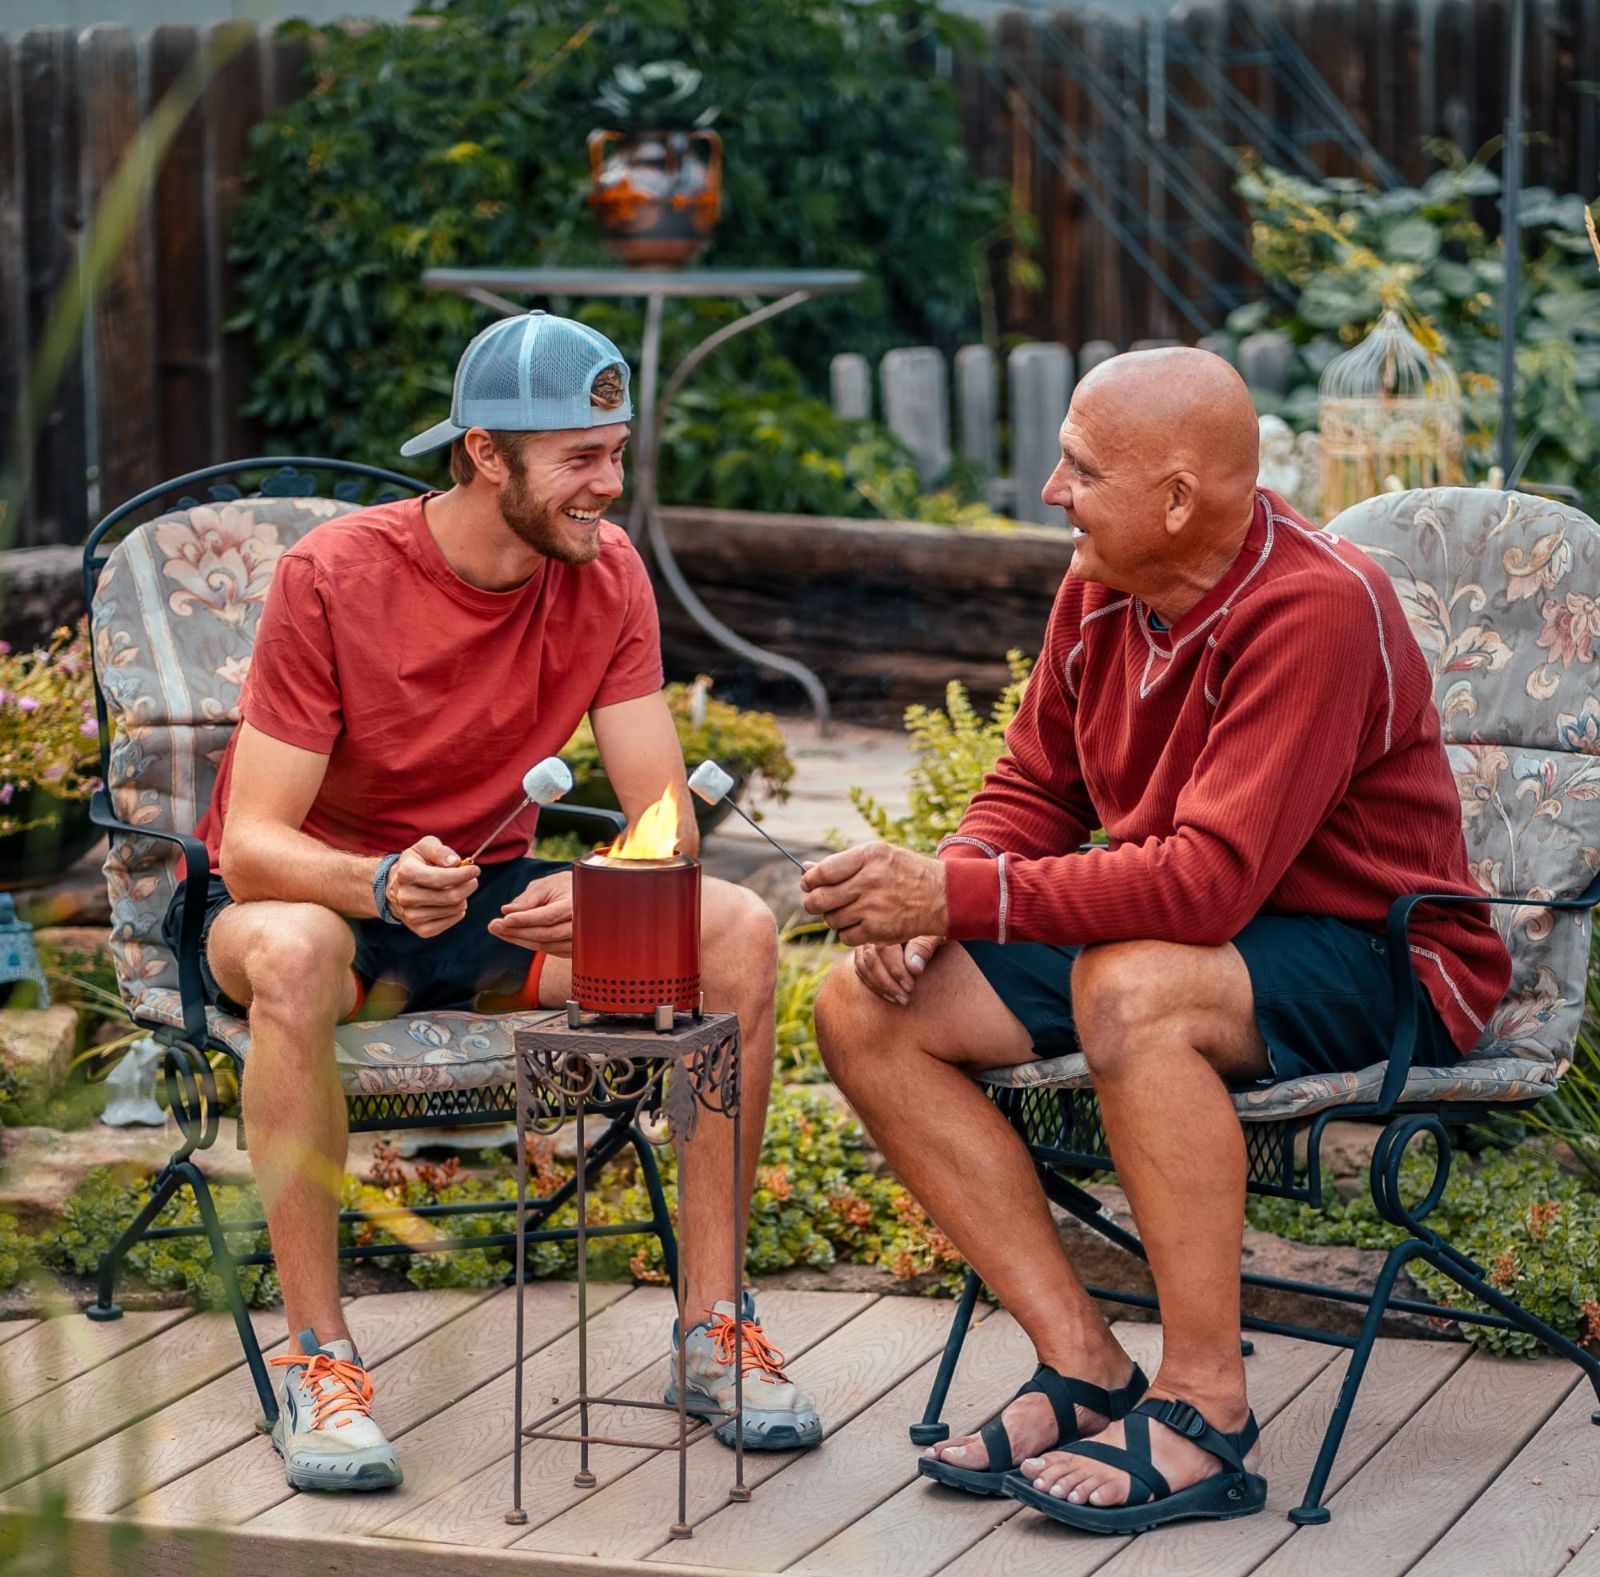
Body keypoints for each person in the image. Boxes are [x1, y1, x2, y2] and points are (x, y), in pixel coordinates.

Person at [799, 348, 1509, 1533]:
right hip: (1199, 938)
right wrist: (950, 885)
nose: (1049, 489)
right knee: (865, 1006)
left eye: (1079, 465)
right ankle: (1085, 1363)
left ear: (1178, 498)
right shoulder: (1102, 581)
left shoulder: (1314, 608)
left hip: (1381, 955)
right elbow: (1033, 781)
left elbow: (1204, 885)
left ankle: (1208, 1408)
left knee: (1135, 989)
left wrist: (957, 901)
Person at [172, 311, 821, 1493]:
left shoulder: (605, 572)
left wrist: (619, 874)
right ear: (484, 453)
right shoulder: (337, 574)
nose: (609, 485)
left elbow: (662, 817)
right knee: (305, 951)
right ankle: (320, 1358)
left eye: (616, 451)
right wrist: (374, 881)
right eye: (580, 457)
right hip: (309, 901)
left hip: (491, 907)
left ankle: (712, 1327)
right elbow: (254, 844)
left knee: (730, 930)